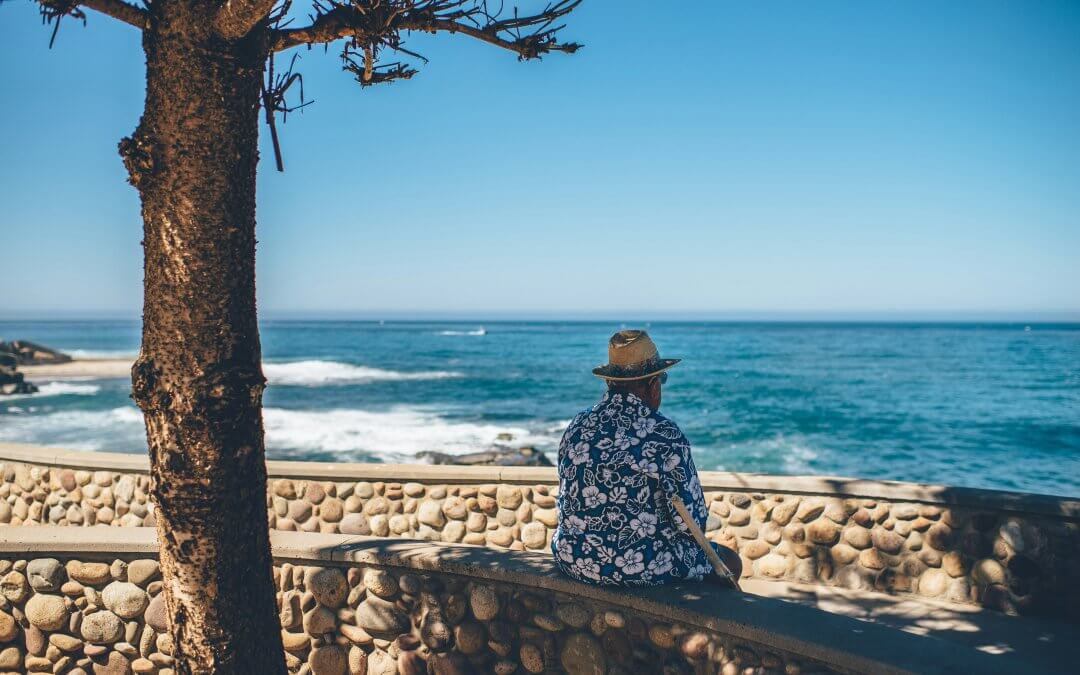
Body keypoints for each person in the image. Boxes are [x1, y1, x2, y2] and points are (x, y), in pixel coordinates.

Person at [551, 329, 742, 586]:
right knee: (731, 562)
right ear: (652, 384)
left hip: (574, 559)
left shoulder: (578, 425)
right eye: (662, 379)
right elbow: (692, 522)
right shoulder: (663, 433)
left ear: (610, 382)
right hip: (638, 569)